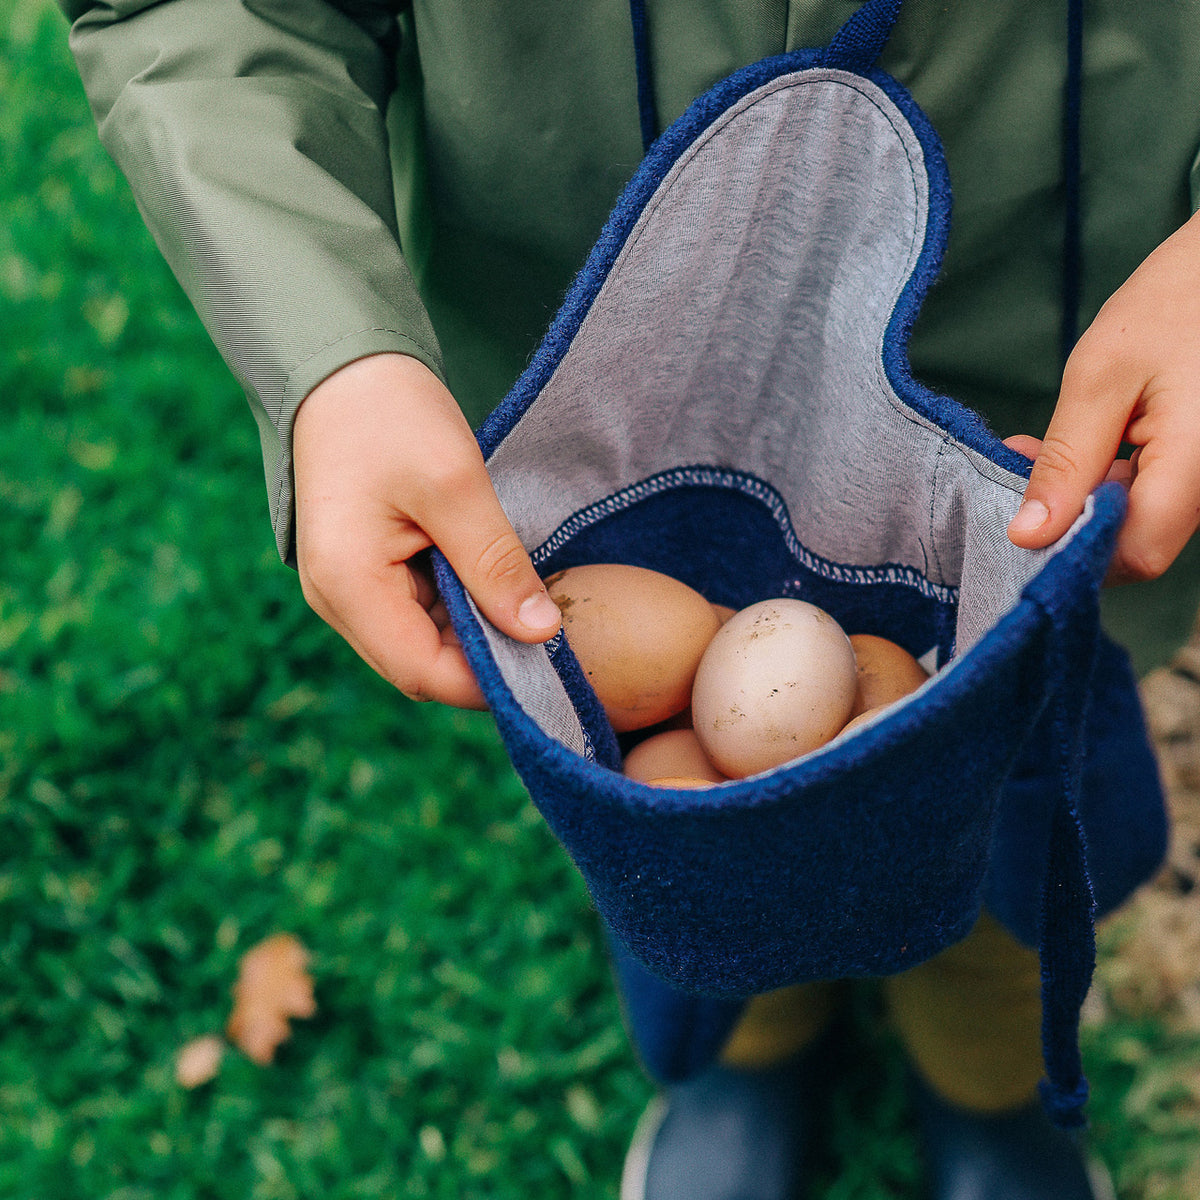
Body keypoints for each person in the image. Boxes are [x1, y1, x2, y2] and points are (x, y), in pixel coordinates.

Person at [58, 2, 1200, 1197]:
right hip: (588, 402)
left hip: (1044, 406)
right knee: (682, 847)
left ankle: (990, 1095)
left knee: (989, 827)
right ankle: (748, 1051)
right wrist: (327, 355)